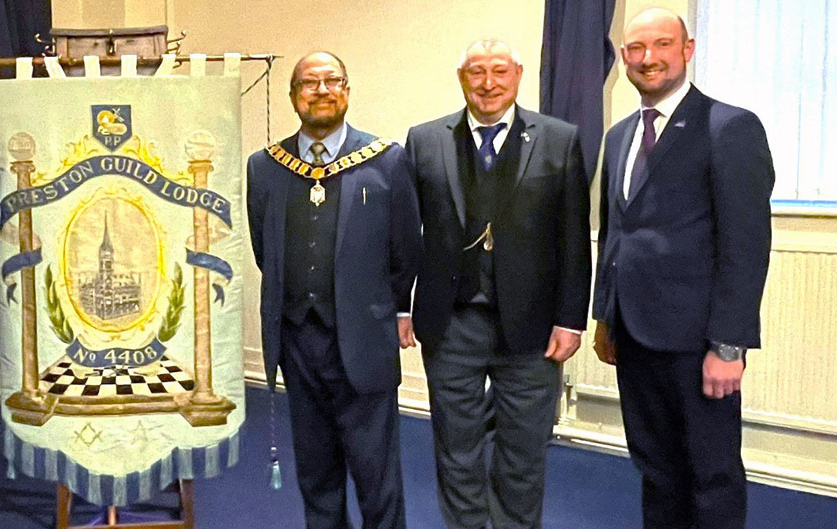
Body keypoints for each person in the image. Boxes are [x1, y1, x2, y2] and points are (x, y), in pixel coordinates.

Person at [592, 8, 773, 529]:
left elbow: (746, 246)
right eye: (636, 49)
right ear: (623, 57)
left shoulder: (729, 126)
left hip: (699, 345)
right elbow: (616, 234)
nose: (648, 58)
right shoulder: (620, 135)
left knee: (710, 475)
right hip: (633, 337)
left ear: (687, 50)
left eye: (662, 45)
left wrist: (729, 346)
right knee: (655, 469)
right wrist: (606, 317)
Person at [402, 40, 590, 529]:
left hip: (531, 331)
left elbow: (574, 238)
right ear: (461, 78)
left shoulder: (559, 139)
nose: (488, 83)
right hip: (451, 324)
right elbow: (404, 233)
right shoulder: (424, 140)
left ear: (519, 75)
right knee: (456, 449)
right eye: (477, 72)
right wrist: (402, 306)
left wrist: (571, 319)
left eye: (499, 72)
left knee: (522, 454)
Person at [246, 52, 422, 529]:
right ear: (293, 97)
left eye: (331, 81)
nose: (321, 90)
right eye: (309, 83)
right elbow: (267, 252)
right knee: (317, 478)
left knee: (376, 479)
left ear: (347, 90)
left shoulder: (386, 162)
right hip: (298, 345)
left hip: (363, 343)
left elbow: (406, 252)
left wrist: (377, 312)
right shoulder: (264, 167)